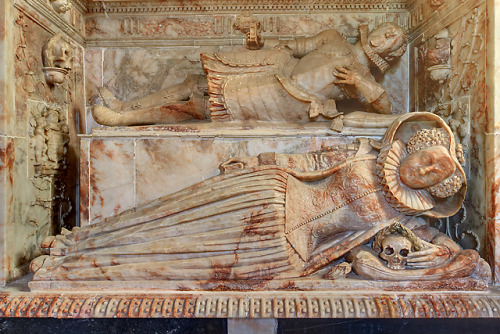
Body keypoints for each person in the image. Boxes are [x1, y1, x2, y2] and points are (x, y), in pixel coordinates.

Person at [30, 112, 486, 284]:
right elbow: (308, 164)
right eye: (429, 158)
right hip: (267, 192)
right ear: (412, 145)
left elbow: (444, 250)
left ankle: (68, 271)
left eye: (435, 174)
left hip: (276, 250)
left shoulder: (402, 214)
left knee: (173, 254)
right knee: (164, 217)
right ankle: (76, 242)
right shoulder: (364, 154)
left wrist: (458, 261)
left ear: (430, 190)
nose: (427, 169)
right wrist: (256, 163)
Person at [92, 23, 406, 126]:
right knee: (194, 83)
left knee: (200, 106)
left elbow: (387, 111)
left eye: (394, 38)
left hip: (292, 103)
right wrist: (259, 40)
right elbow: (297, 45)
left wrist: (361, 83)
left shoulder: (366, 78)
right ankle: (126, 107)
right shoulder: (334, 37)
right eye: (388, 29)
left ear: (391, 53)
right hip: (274, 71)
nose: (387, 34)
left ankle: (122, 121)